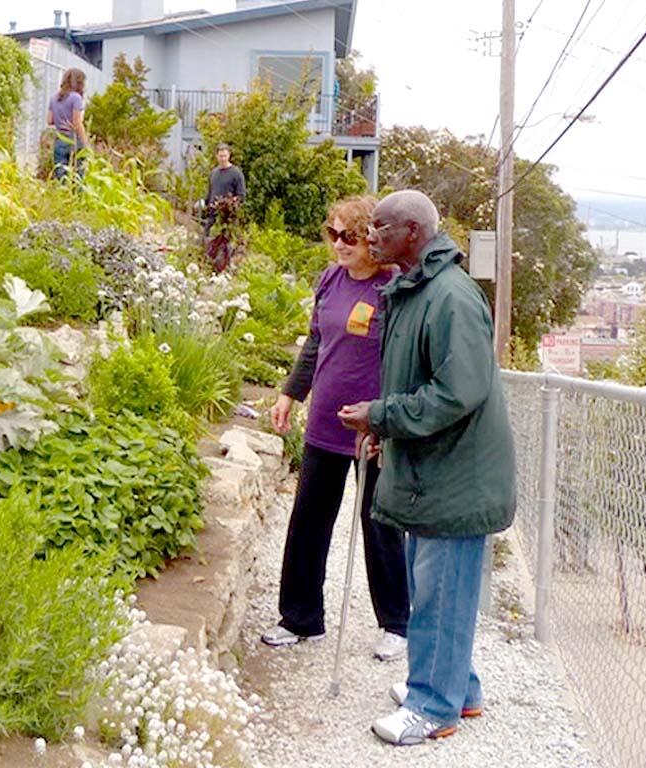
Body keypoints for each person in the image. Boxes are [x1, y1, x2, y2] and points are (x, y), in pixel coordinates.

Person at [339, 190, 516, 745]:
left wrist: (383, 415)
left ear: (412, 233)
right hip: (430, 472)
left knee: (442, 593)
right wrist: (382, 430)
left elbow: (456, 392)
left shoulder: (451, 298)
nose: (371, 237)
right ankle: (458, 690)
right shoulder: (416, 290)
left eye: (380, 228)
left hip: (455, 478)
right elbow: (414, 383)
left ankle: (433, 706)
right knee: (432, 586)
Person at [261, 196, 410, 662]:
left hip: (372, 428)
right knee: (308, 519)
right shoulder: (329, 280)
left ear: (371, 239)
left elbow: (407, 356)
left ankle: (396, 624)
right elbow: (315, 342)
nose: (339, 244)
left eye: (350, 236)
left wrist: (390, 421)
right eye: (333, 234)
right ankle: (300, 618)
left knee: (379, 524)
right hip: (326, 422)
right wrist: (291, 393)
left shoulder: (394, 288)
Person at [47, 68, 89, 181]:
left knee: (61, 176)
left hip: (60, 140)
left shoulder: (53, 98)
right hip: (74, 141)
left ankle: (63, 196)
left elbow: (49, 121)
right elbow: (77, 123)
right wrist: (86, 144)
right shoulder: (76, 98)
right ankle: (77, 198)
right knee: (79, 176)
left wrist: (60, 118)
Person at [204, 143, 246, 237]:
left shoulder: (236, 173)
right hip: (212, 215)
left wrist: (230, 205)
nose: (223, 158)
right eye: (220, 156)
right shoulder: (214, 173)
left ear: (229, 156)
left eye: (225, 156)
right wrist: (205, 204)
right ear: (217, 156)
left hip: (228, 218)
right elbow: (210, 192)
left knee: (226, 244)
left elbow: (241, 196)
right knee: (207, 240)